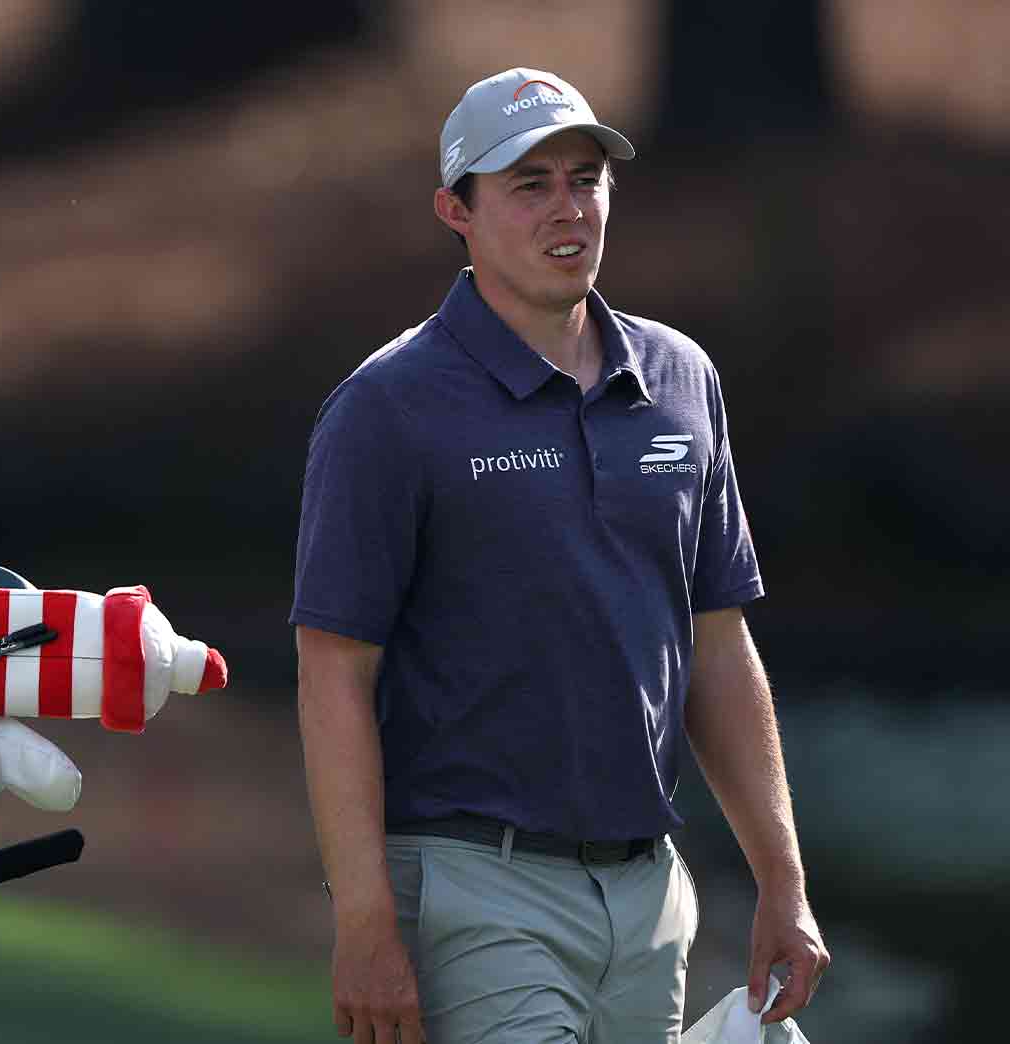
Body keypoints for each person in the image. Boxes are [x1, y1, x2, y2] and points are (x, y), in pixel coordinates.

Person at [292, 68, 830, 1044]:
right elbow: (333, 670)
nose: (565, 208)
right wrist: (364, 922)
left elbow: (714, 642)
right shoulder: (386, 407)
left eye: (583, 178)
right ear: (454, 210)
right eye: (526, 184)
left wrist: (780, 883)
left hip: (648, 897)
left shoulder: (679, 380)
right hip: (469, 889)